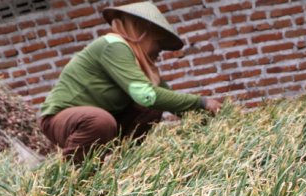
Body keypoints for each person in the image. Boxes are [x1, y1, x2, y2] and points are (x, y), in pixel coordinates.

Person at [39, 1, 222, 163]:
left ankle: (123, 163)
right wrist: (202, 102)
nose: (159, 52)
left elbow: (165, 98)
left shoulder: (138, 62)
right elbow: (146, 95)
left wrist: (206, 120)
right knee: (101, 121)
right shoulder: (113, 45)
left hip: (102, 120)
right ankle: (76, 175)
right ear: (141, 32)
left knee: (152, 107)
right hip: (63, 120)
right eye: (158, 43)